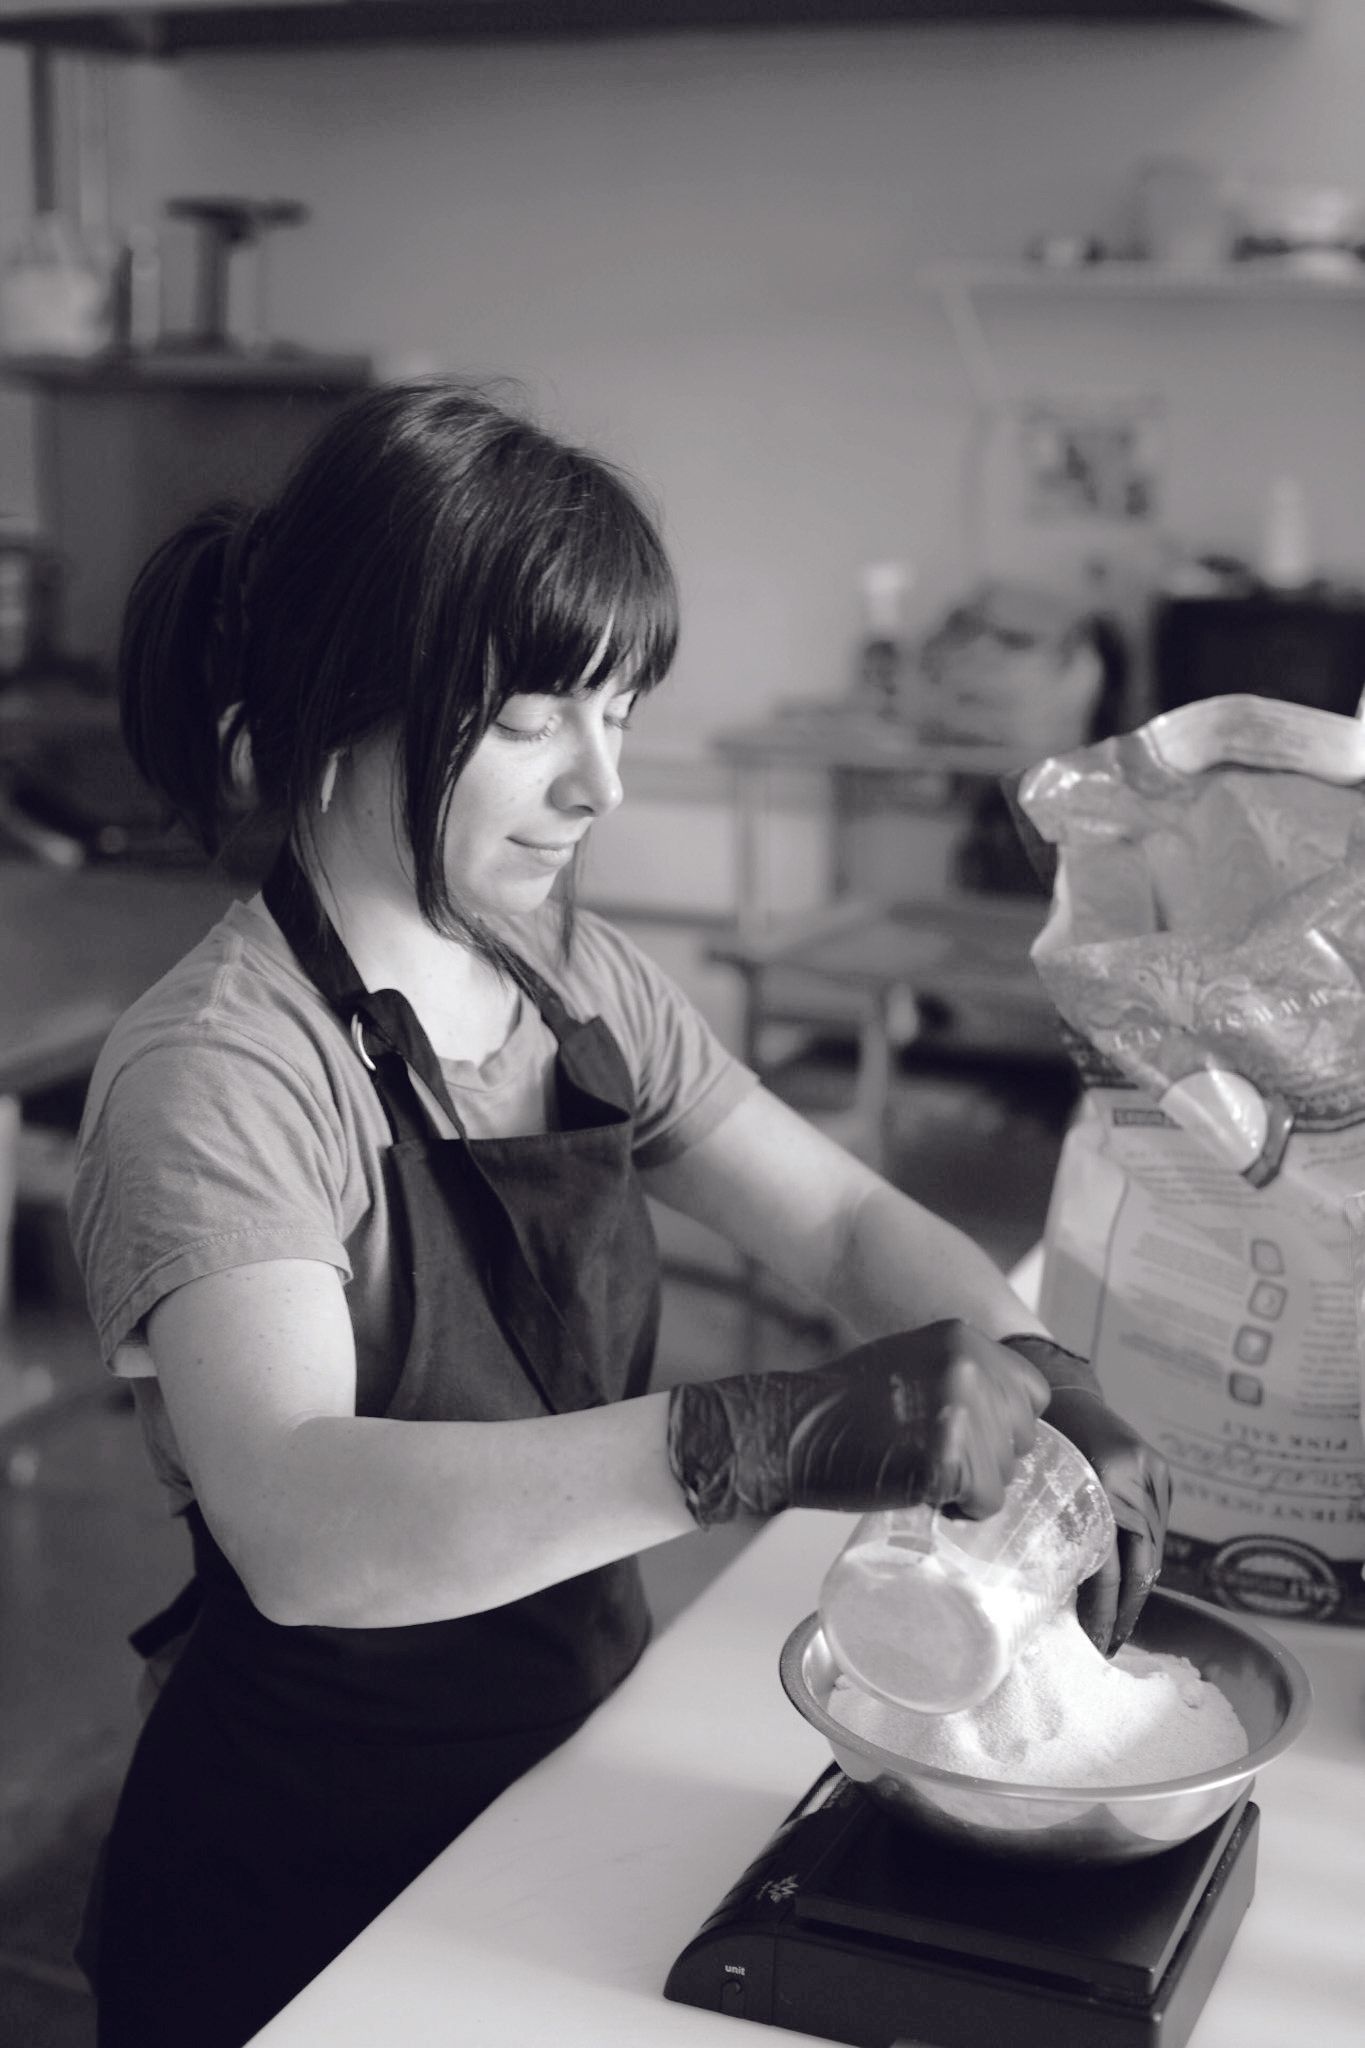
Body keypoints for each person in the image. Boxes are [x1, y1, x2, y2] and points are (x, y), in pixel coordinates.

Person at [69, 379, 1170, 2048]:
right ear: (342, 698)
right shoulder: (222, 1072)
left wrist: (1039, 1373)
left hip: (566, 1763)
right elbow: (303, 1522)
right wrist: (756, 1437)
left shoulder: (568, 978)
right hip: (300, 1888)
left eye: (622, 715)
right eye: (530, 718)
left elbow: (842, 1225)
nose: (601, 786)